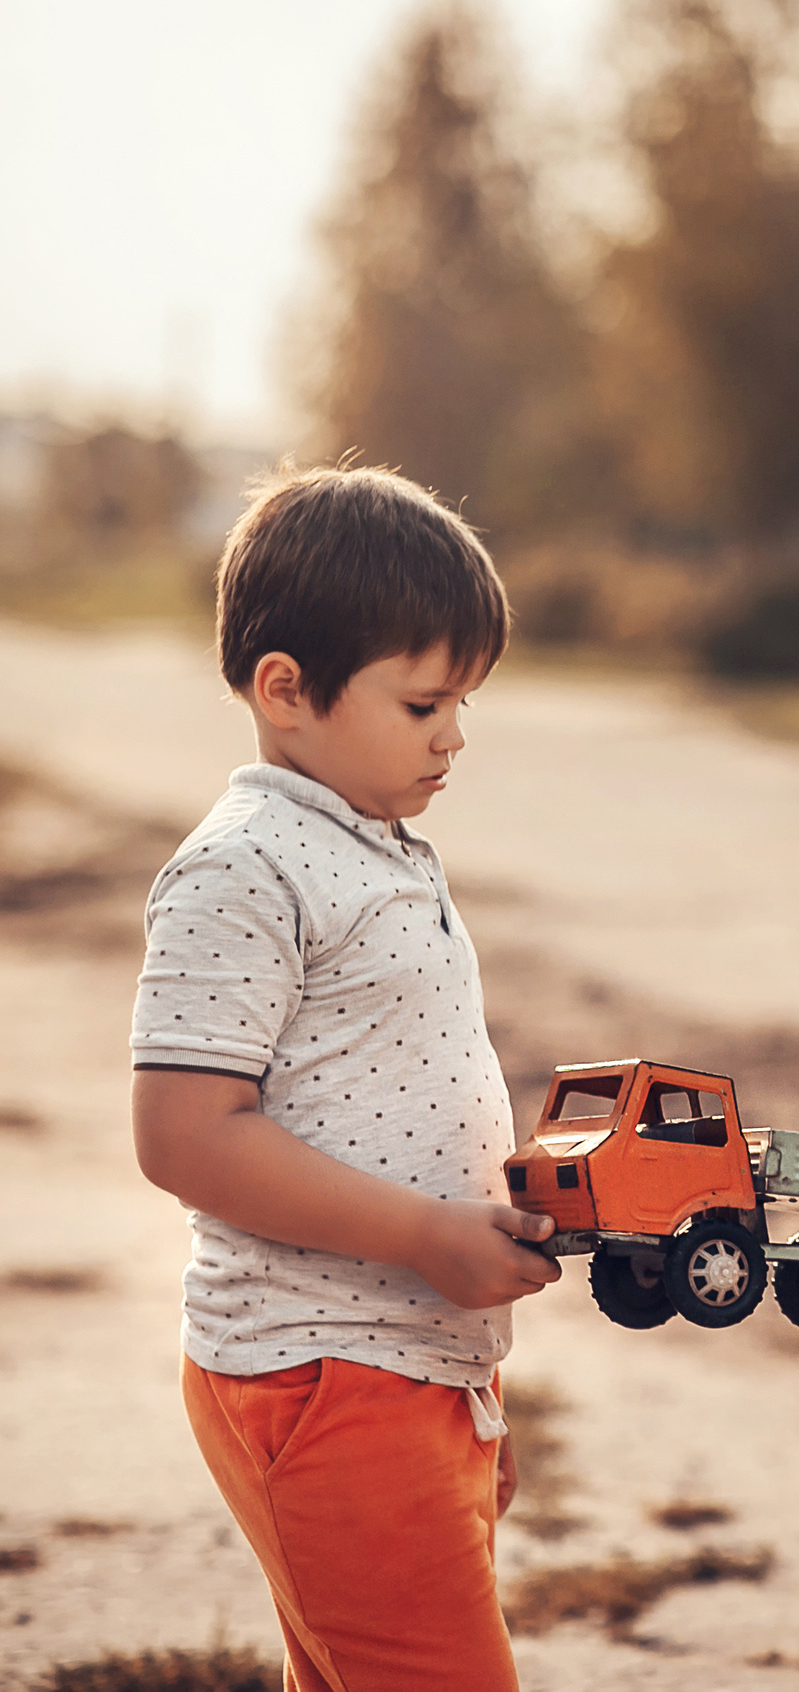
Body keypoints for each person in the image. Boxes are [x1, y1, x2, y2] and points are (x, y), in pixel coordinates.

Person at [129, 464, 558, 1691]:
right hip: (319, 1378)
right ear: (287, 690)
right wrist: (424, 1234)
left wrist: (467, 1372)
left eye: (464, 701)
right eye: (425, 702)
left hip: (409, 1371)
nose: (455, 734)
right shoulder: (243, 868)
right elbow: (184, 1134)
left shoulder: (371, 845)